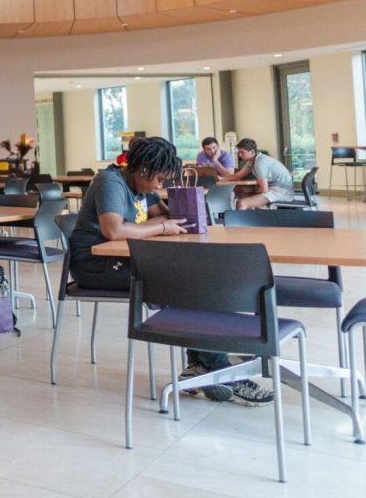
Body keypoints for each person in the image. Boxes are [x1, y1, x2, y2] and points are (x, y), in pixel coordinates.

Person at [68, 136, 272, 407]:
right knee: (184, 283)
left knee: (196, 277)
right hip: (95, 265)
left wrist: (163, 219)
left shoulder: (141, 185)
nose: (160, 186)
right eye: (159, 180)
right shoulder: (111, 182)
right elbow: (114, 230)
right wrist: (161, 227)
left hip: (125, 259)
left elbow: (166, 214)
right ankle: (220, 370)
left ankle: (201, 367)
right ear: (143, 169)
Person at [230, 138, 295, 210]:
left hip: (282, 192)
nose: (239, 155)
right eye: (238, 152)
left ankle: (249, 214)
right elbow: (237, 176)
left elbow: (264, 190)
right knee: (238, 189)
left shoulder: (260, 162)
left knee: (241, 203)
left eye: (242, 152)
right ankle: (255, 215)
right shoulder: (251, 161)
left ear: (252, 152)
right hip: (272, 188)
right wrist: (220, 179)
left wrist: (250, 195)